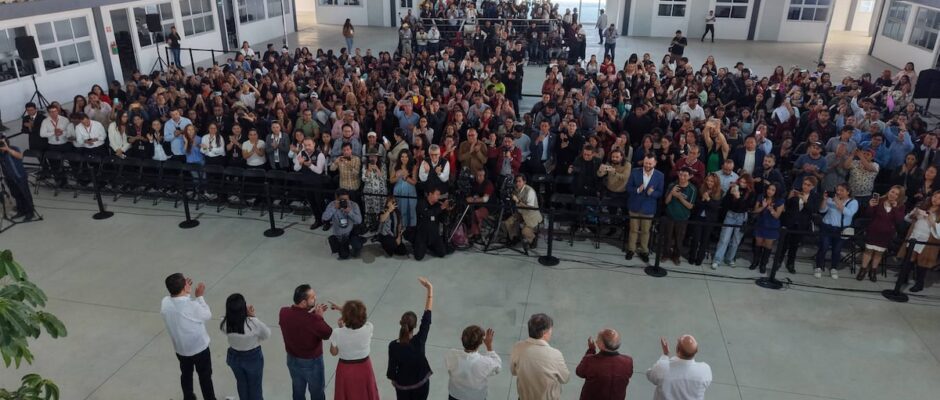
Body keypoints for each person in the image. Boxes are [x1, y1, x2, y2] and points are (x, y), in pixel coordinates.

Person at [160, 273, 216, 400]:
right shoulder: (192, 305)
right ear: (184, 287)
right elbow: (207, 314)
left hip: (181, 350)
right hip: (199, 349)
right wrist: (199, 297)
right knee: (205, 376)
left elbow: (180, 303)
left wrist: (185, 292)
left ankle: (189, 397)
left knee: (186, 374)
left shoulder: (165, 302)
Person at [279, 284, 334, 400]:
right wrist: (319, 317)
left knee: (298, 391)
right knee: (317, 393)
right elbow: (328, 333)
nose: (315, 299)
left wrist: (313, 315)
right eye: (312, 297)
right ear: (304, 302)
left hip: (292, 359)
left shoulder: (283, 312)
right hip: (312, 363)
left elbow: (300, 321)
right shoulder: (314, 321)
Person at [387, 278, 434, 400]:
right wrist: (430, 289)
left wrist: (395, 380)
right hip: (421, 385)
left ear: (401, 323)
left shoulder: (393, 346)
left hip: (403, 387)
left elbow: (391, 370)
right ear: (415, 325)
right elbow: (427, 319)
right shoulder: (419, 341)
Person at [221, 293, 271, 400]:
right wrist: (252, 316)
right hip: (252, 357)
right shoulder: (253, 323)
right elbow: (267, 334)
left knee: (241, 383)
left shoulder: (224, 322)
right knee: (255, 386)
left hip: (234, 357)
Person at [511, 313, 570, 400]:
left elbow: (513, 371)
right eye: (550, 329)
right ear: (544, 333)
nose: (551, 332)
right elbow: (565, 378)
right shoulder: (555, 355)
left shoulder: (518, 347)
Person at [330, 300, 380, 400]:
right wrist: (345, 312)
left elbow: (334, 352)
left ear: (344, 318)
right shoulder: (369, 328)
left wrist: (341, 328)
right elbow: (360, 321)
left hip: (345, 369)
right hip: (364, 367)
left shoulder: (337, 332)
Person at [858, 186, 905, 281]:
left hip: (886, 234)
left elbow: (899, 221)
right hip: (873, 231)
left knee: (879, 253)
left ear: (899, 197)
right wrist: (870, 206)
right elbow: (869, 215)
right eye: (892, 192)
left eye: (897, 194)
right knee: (868, 251)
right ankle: (863, 270)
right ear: (889, 191)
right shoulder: (879, 200)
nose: (893, 195)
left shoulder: (900, 206)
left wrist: (895, 208)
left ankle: (873, 271)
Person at [646, 335, 712, 400]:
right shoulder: (705, 370)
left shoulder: (662, 367)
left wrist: (665, 355)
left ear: (677, 349)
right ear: (697, 350)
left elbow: (649, 375)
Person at [575, 328, 634, 400]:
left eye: (598, 339)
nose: (596, 341)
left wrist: (591, 350)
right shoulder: (628, 361)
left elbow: (579, 372)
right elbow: (629, 374)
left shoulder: (590, 360)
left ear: (602, 345)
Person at [712, 174, 756, 269]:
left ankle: (729, 259)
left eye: (745, 182)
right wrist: (731, 194)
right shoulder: (734, 187)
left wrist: (738, 197)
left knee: (736, 240)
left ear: (749, 183)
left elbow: (745, 207)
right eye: (741, 181)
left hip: (742, 216)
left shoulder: (751, 193)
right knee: (724, 239)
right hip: (731, 214)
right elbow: (725, 203)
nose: (742, 184)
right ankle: (717, 259)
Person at [626, 155, 665, 263]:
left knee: (645, 231)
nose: (647, 165)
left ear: (655, 163)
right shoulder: (635, 171)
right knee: (633, 230)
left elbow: (660, 192)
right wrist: (638, 190)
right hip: (634, 206)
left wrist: (651, 193)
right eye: (646, 163)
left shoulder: (660, 175)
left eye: (650, 163)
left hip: (648, 208)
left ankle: (644, 251)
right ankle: (631, 250)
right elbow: (628, 188)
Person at [445, 325, 500, 400]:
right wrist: (489, 346)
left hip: (455, 395)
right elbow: (497, 367)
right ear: (481, 342)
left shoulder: (451, 354)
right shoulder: (485, 362)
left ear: (461, 338)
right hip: (476, 397)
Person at [777, 176, 820, 274]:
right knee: (784, 244)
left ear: (813, 187)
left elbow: (813, 210)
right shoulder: (795, 191)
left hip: (802, 224)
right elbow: (786, 206)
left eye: (808, 185)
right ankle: (778, 261)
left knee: (794, 245)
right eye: (804, 184)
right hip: (790, 221)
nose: (805, 186)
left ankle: (790, 264)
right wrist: (789, 197)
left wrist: (805, 201)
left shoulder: (815, 196)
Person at [816, 183, 858, 279]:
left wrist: (837, 202)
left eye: (841, 190)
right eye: (837, 190)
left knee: (837, 250)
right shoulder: (831, 199)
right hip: (827, 226)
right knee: (824, 247)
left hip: (841, 229)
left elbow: (849, 213)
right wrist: (825, 200)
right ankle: (818, 266)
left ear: (848, 192)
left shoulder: (853, 202)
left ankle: (833, 268)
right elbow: (822, 210)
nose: (838, 192)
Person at [900, 191, 940, 292]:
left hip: (927, 241)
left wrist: (932, 221)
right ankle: (904, 278)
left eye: (939, 198)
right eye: (935, 196)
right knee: (909, 259)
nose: (935, 199)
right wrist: (914, 214)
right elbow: (907, 219)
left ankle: (919, 283)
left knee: (922, 263)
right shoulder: (924, 206)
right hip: (914, 236)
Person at [662, 167, 697, 265]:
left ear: (690, 176)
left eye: (685, 176)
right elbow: (666, 202)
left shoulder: (692, 189)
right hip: (670, 216)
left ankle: (676, 256)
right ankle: (666, 254)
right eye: (680, 175)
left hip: (682, 218)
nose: (682, 177)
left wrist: (679, 197)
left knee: (679, 239)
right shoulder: (672, 185)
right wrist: (671, 193)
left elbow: (690, 206)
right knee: (667, 237)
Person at [687, 173, 722, 266]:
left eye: (712, 181)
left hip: (709, 220)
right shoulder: (701, 189)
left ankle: (699, 259)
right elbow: (696, 204)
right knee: (695, 239)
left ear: (716, 183)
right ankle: (691, 257)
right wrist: (703, 199)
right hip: (699, 218)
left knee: (704, 240)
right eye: (708, 180)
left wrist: (708, 199)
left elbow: (715, 207)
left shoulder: (720, 192)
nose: (709, 182)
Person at [750, 183, 785, 274]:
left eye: (773, 190)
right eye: (769, 189)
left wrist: (771, 209)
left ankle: (763, 264)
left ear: (776, 191)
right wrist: (763, 206)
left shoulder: (780, 201)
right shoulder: (761, 197)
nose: (770, 191)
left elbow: (777, 216)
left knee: (767, 245)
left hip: (772, 226)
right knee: (758, 243)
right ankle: (755, 262)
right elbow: (755, 210)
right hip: (760, 224)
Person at [0, 135, 35, 220]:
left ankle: (30, 212)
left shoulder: (14, 148)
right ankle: (21, 211)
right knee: (16, 195)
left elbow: (20, 156)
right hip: (9, 177)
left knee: (25, 194)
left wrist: (8, 149)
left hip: (19, 176)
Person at [504, 174, 542, 249]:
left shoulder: (530, 191)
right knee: (508, 222)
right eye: (516, 181)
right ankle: (514, 237)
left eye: (519, 181)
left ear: (524, 182)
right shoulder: (516, 189)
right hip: (521, 213)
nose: (517, 183)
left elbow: (530, 208)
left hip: (531, 215)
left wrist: (518, 201)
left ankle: (533, 239)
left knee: (525, 232)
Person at [323, 189, 363, 260]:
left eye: (346, 199)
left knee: (357, 246)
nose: (345, 202)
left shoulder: (353, 205)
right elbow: (324, 218)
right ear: (337, 199)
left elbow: (359, 221)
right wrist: (334, 208)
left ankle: (357, 242)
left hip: (351, 232)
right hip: (339, 235)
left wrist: (350, 212)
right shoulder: (332, 205)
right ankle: (339, 244)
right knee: (344, 256)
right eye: (342, 200)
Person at [413, 188, 453, 260]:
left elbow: (443, 219)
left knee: (442, 253)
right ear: (430, 194)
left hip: (434, 234)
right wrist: (441, 208)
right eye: (437, 194)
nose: (439, 197)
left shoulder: (438, 205)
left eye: (439, 195)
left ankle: (429, 246)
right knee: (418, 257)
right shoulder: (421, 203)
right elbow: (427, 214)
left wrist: (447, 211)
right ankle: (418, 242)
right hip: (422, 234)